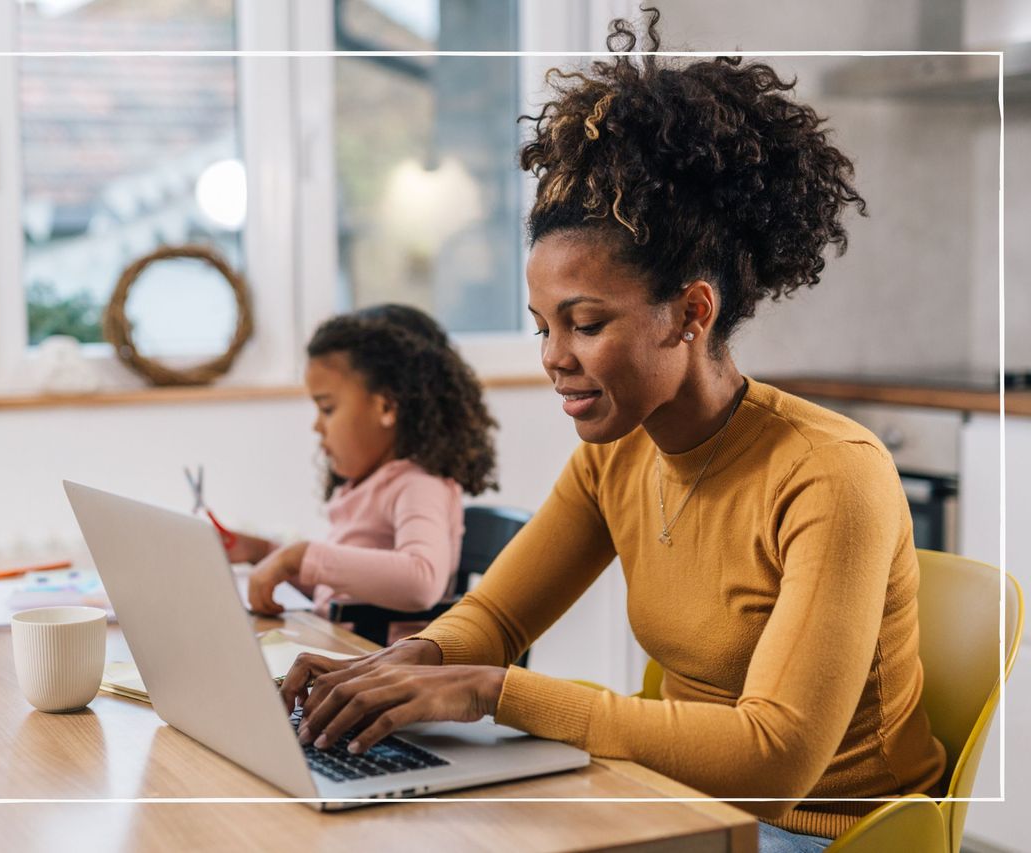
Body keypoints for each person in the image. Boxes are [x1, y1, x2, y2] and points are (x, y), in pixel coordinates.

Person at [277, 9, 946, 852]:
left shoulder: (831, 473)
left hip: (826, 831)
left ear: (690, 313)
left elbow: (776, 758)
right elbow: (495, 618)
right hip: (683, 801)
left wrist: (494, 693)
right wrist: (400, 667)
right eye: (542, 325)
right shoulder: (616, 456)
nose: (554, 358)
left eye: (585, 323)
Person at [228, 304, 499, 619]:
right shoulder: (367, 486)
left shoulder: (419, 484)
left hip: (376, 661)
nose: (317, 426)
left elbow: (421, 580)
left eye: (327, 409)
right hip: (341, 651)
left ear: (385, 406)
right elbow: (338, 587)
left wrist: (302, 556)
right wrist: (262, 553)